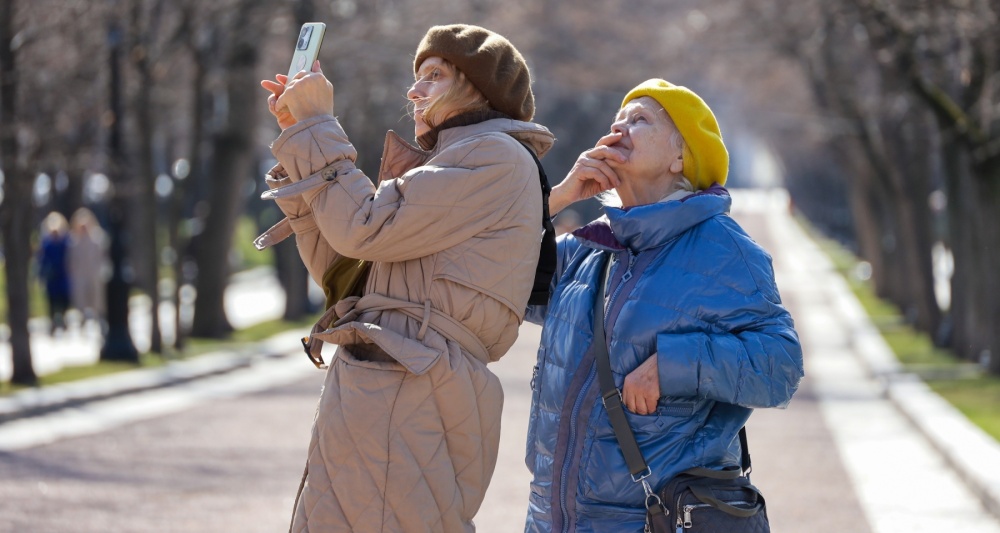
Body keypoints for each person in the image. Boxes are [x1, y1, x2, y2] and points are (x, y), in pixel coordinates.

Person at [257, 24, 555, 532]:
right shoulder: (452, 161)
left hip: (410, 387)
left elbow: (360, 228)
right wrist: (301, 140)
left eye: (434, 75)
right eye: (417, 77)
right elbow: (343, 275)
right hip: (390, 380)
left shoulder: (494, 156)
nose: (414, 91)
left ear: (479, 88)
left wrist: (318, 125)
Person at [522, 79, 804, 532]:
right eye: (617, 120)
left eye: (640, 120)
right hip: (550, 519)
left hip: (654, 519)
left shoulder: (724, 250)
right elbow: (490, 280)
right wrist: (558, 197)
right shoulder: (588, 247)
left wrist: (673, 364)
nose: (619, 128)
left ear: (680, 157)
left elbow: (780, 366)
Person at [67, 207, 108, 325]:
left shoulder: (97, 237)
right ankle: (82, 318)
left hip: (95, 272)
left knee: (97, 297)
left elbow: (103, 256)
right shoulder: (74, 240)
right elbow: (71, 259)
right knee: (81, 297)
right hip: (80, 274)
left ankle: (99, 317)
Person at [37, 211, 72, 334]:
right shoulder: (46, 244)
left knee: (64, 300)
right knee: (52, 301)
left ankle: (63, 319)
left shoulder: (65, 243)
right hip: (52, 278)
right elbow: (42, 261)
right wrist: (41, 275)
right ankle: (53, 321)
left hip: (63, 276)